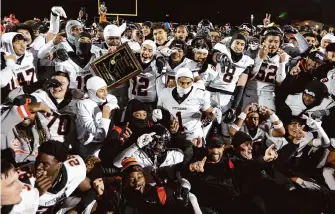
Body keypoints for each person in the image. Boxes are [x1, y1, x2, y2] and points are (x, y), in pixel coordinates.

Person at [157, 68, 221, 146]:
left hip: (193, 134)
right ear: (176, 81)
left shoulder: (199, 93)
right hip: (174, 134)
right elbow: (162, 115)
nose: (185, 86)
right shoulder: (165, 93)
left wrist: (216, 113)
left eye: (188, 83)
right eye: (182, 82)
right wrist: (165, 121)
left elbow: (211, 114)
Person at [18, 140, 86, 213]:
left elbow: (92, 189)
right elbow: (13, 209)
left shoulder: (75, 169)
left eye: (45, 164)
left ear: (59, 165)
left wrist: (77, 209)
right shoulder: (21, 178)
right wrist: (35, 194)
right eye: (37, 161)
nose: (38, 167)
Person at [114, 124, 184, 183]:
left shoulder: (175, 156)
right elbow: (117, 163)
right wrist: (136, 145)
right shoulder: (138, 154)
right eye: (154, 141)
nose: (157, 145)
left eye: (161, 142)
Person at [210, 32, 254, 126]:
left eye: (242, 44)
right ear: (231, 43)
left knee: (225, 127)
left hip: (227, 97)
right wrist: (220, 57)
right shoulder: (223, 50)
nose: (239, 46)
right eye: (237, 43)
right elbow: (214, 56)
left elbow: (240, 86)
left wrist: (234, 107)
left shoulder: (246, 61)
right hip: (210, 92)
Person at [243, 27, 289, 111]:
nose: (273, 44)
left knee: (268, 122)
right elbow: (250, 76)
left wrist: (281, 63)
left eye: (276, 42)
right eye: (270, 41)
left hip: (268, 94)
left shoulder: (284, 56)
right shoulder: (254, 52)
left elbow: (280, 82)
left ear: (280, 44)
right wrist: (260, 58)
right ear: (264, 41)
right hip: (250, 92)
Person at [1, 94, 50, 165]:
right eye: (26, 111)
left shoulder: (41, 129)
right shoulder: (6, 127)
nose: (27, 116)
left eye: (32, 112)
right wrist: (26, 110)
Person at [76, 76, 118, 157]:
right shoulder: (83, 104)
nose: (106, 93)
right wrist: (105, 112)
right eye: (101, 91)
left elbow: (113, 98)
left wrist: (109, 105)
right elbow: (100, 134)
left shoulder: (107, 99)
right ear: (92, 92)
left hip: (106, 144)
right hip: (88, 146)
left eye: (106, 89)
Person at [1, 32, 36, 103]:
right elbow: (1, 82)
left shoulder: (29, 56)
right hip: (8, 103)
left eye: (23, 42)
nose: (23, 46)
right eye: (17, 43)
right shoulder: (2, 59)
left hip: (30, 97)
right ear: (8, 44)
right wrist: (10, 63)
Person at [128, 40, 164, 109]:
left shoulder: (156, 63)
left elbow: (165, 51)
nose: (146, 53)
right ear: (140, 49)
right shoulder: (132, 60)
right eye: (144, 49)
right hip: (133, 100)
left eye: (150, 51)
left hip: (150, 103)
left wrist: (159, 56)